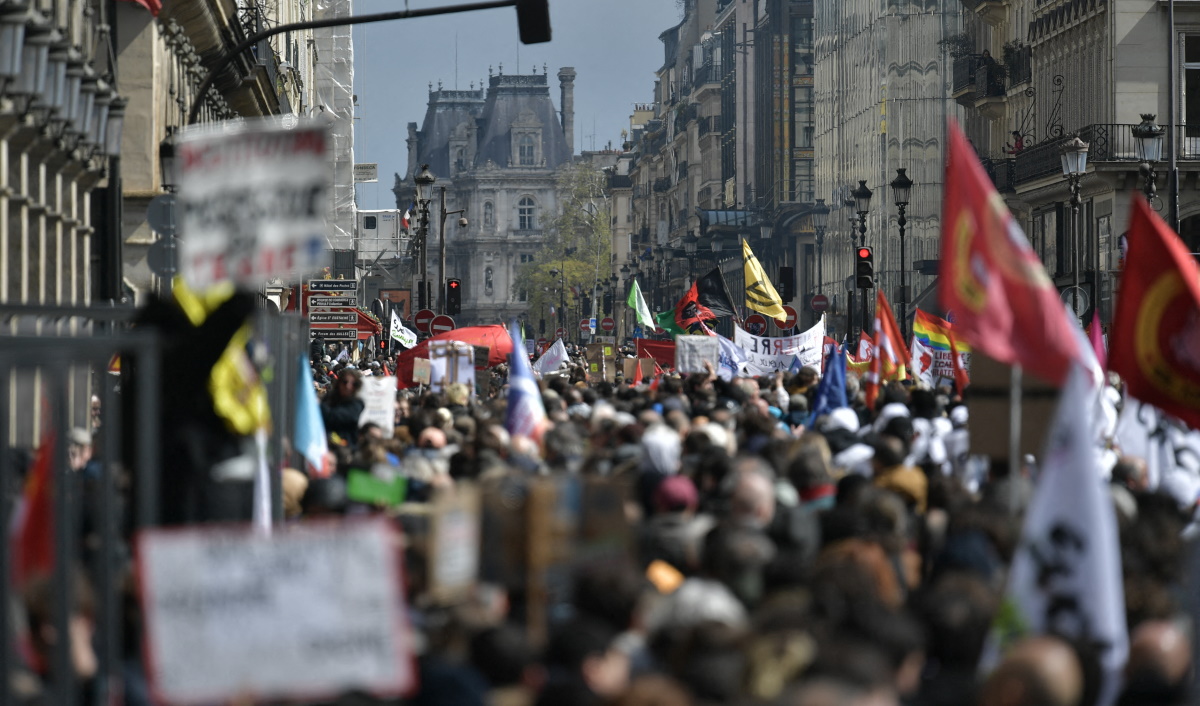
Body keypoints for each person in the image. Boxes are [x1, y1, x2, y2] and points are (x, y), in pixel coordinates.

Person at [321, 367, 365, 447]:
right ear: (339, 383)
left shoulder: (357, 403)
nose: (348, 386)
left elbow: (337, 416)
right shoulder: (328, 399)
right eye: (345, 382)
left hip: (346, 448)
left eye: (354, 384)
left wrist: (322, 408)